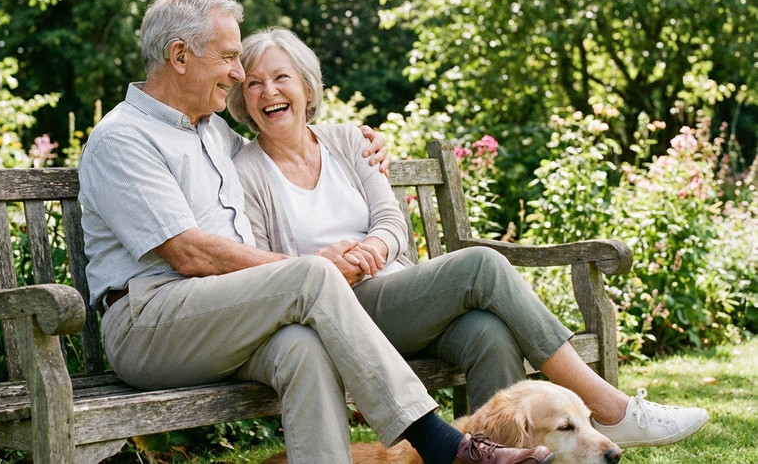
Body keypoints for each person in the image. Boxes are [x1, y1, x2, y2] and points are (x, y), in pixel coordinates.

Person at [78, 0, 555, 464]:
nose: (239, 73)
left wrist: (365, 144)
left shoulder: (211, 130)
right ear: (179, 56)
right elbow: (188, 253)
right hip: (149, 323)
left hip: (221, 315)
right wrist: (301, 267)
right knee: (311, 273)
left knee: (301, 347)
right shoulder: (124, 137)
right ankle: (443, 444)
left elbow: (293, 137)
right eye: (228, 57)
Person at [227, 27, 709, 451]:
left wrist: (373, 249)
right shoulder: (247, 171)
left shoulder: (350, 141)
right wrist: (329, 264)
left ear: (307, 86)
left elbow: (392, 224)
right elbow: (272, 271)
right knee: (482, 265)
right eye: (254, 83)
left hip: (397, 299)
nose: (269, 91)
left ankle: (499, 455)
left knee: (489, 334)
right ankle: (611, 407)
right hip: (336, 314)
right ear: (243, 100)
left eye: (281, 76)